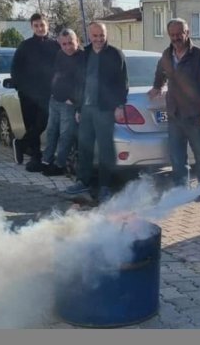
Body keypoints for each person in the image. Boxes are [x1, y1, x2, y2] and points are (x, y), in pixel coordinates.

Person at [148, 18, 200, 201]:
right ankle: (181, 188)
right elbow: (160, 72)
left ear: (187, 33)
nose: (176, 38)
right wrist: (157, 87)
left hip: (196, 115)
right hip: (175, 114)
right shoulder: (167, 55)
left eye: (180, 34)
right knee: (177, 156)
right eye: (173, 35)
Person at [65, 22, 128, 203]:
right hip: (86, 109)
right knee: (84, 147)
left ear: (106, 34)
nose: (99, 39)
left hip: (105, 109)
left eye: (102, 35)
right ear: (89, 36)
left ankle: (105, 186)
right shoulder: (84, 55)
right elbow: (79, 82)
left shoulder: (115, 55)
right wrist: (78, 108)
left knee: (105, 150)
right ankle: (82, 181)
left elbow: (123, 83)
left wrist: (120, 106)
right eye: (95, 36)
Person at [11, 13, 60, 172]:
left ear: (47, 25)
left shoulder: (55, 45)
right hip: (27, 95)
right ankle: (35, 157)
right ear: (32, 27)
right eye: (36, 25)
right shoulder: (25, 46)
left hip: (47, 94)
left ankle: (20, 143)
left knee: (42, 124)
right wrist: (21, 88)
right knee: (31, 125)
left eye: (42, 25)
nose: (40, 28)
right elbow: (15, 70)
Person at [41, 29, 82, 176]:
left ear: (77, 41)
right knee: (51, 132)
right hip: (55, 100)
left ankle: (60, 165)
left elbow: (83, 83)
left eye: (71, 43)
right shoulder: (60, 54)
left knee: (66, 135)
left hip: (69, 104)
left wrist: (75, 101)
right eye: (64, 44)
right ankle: (46, 161)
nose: (68, 47)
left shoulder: (82, 58)